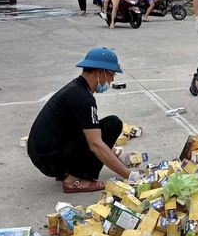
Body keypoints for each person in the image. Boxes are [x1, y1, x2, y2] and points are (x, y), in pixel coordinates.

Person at [27, 47, 134, 193]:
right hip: (50, 160)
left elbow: (85, 128)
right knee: (112, 125)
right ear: (100, 72)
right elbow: (95, 144)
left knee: (97, 128)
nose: (112, 80)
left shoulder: (76, 89)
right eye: (112, 75)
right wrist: (130, 176)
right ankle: (74, 181)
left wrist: (116, 154)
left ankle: (67, 172)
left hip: (43, 154)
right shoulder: (83, 98)